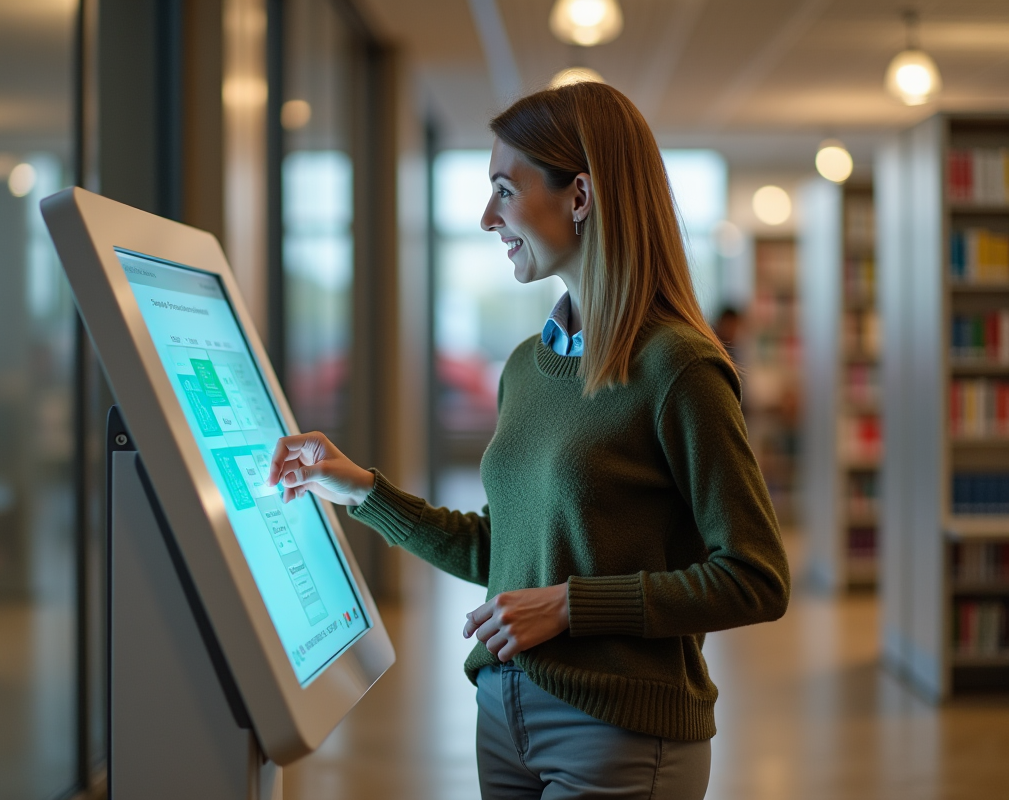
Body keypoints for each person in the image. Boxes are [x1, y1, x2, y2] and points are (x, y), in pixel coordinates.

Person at [267, 82, 789, 800]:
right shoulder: (525, 366)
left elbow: (755, 576)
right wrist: (359, 490)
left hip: (617, 732)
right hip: (501, 717)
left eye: (504, 190)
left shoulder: (679, 369)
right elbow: (505, 553)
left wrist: (574, 605)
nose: (488, 218)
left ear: (580, 196)